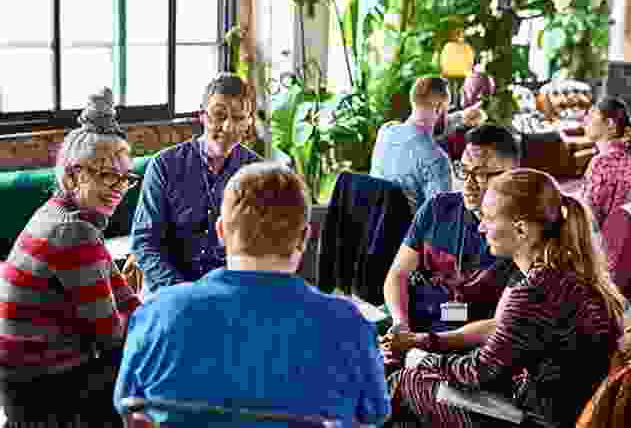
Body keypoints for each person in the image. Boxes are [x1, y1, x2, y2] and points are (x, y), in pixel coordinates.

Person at [114, 162, 391, 427]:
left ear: (221, 231)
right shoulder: (349, 324)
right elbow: (374, 414)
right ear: (305, 237)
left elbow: (128, 406)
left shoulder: (155, 313)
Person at [387, 168, 625, 428]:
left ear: (521, 230)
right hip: (558, 405)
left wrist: (415, 354)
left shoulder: (535, 292)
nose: (480, 227)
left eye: (488, 219)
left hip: (539, 419)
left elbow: (478, 372)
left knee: (406, 381)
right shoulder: (568, 273)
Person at [0, 88, 141, 427]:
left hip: (23, 378)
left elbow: (122, 294)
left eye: (124, 178)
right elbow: (110, 335)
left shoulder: (63, 214)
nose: (118, 188)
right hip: (39, 385)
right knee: (148, 375)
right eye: (106, 175)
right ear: (75, 175)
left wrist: (152, 313)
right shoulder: (73, 231)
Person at [381, 125, 521, 355]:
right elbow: (398, 274)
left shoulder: (520, 232)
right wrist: (400, 325)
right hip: (415, 320)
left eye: (481, 174)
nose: (468, 183)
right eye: (464, 170)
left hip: (468, 343)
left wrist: (419, 342)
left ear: (512, 174)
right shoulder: (438, 207)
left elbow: (499, 325)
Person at [130, 72, 262, 295]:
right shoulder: (164, 165)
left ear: (249, 122)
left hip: (230, 296)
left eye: (239, 118)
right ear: (202, 115)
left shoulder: (257, 173)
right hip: (170, 294)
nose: (228, 127)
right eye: (219, 115)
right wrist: (183, 293)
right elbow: (144, 243)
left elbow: (262, 247)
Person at [370, 76, 481, 211]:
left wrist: (461, 117)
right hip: (409, 230)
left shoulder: (386, 130)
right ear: (439, 108)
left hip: (373, 221)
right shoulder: (437, 160)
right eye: (447, 109)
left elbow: (419, 132)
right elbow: (439, 218)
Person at [581, 95, 631, 226]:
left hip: (601, 241)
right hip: (619, 239)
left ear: (609, 123)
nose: (585, 120)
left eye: (591, 115)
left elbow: (589, 218)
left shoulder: (602, 162)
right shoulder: (629, 158)